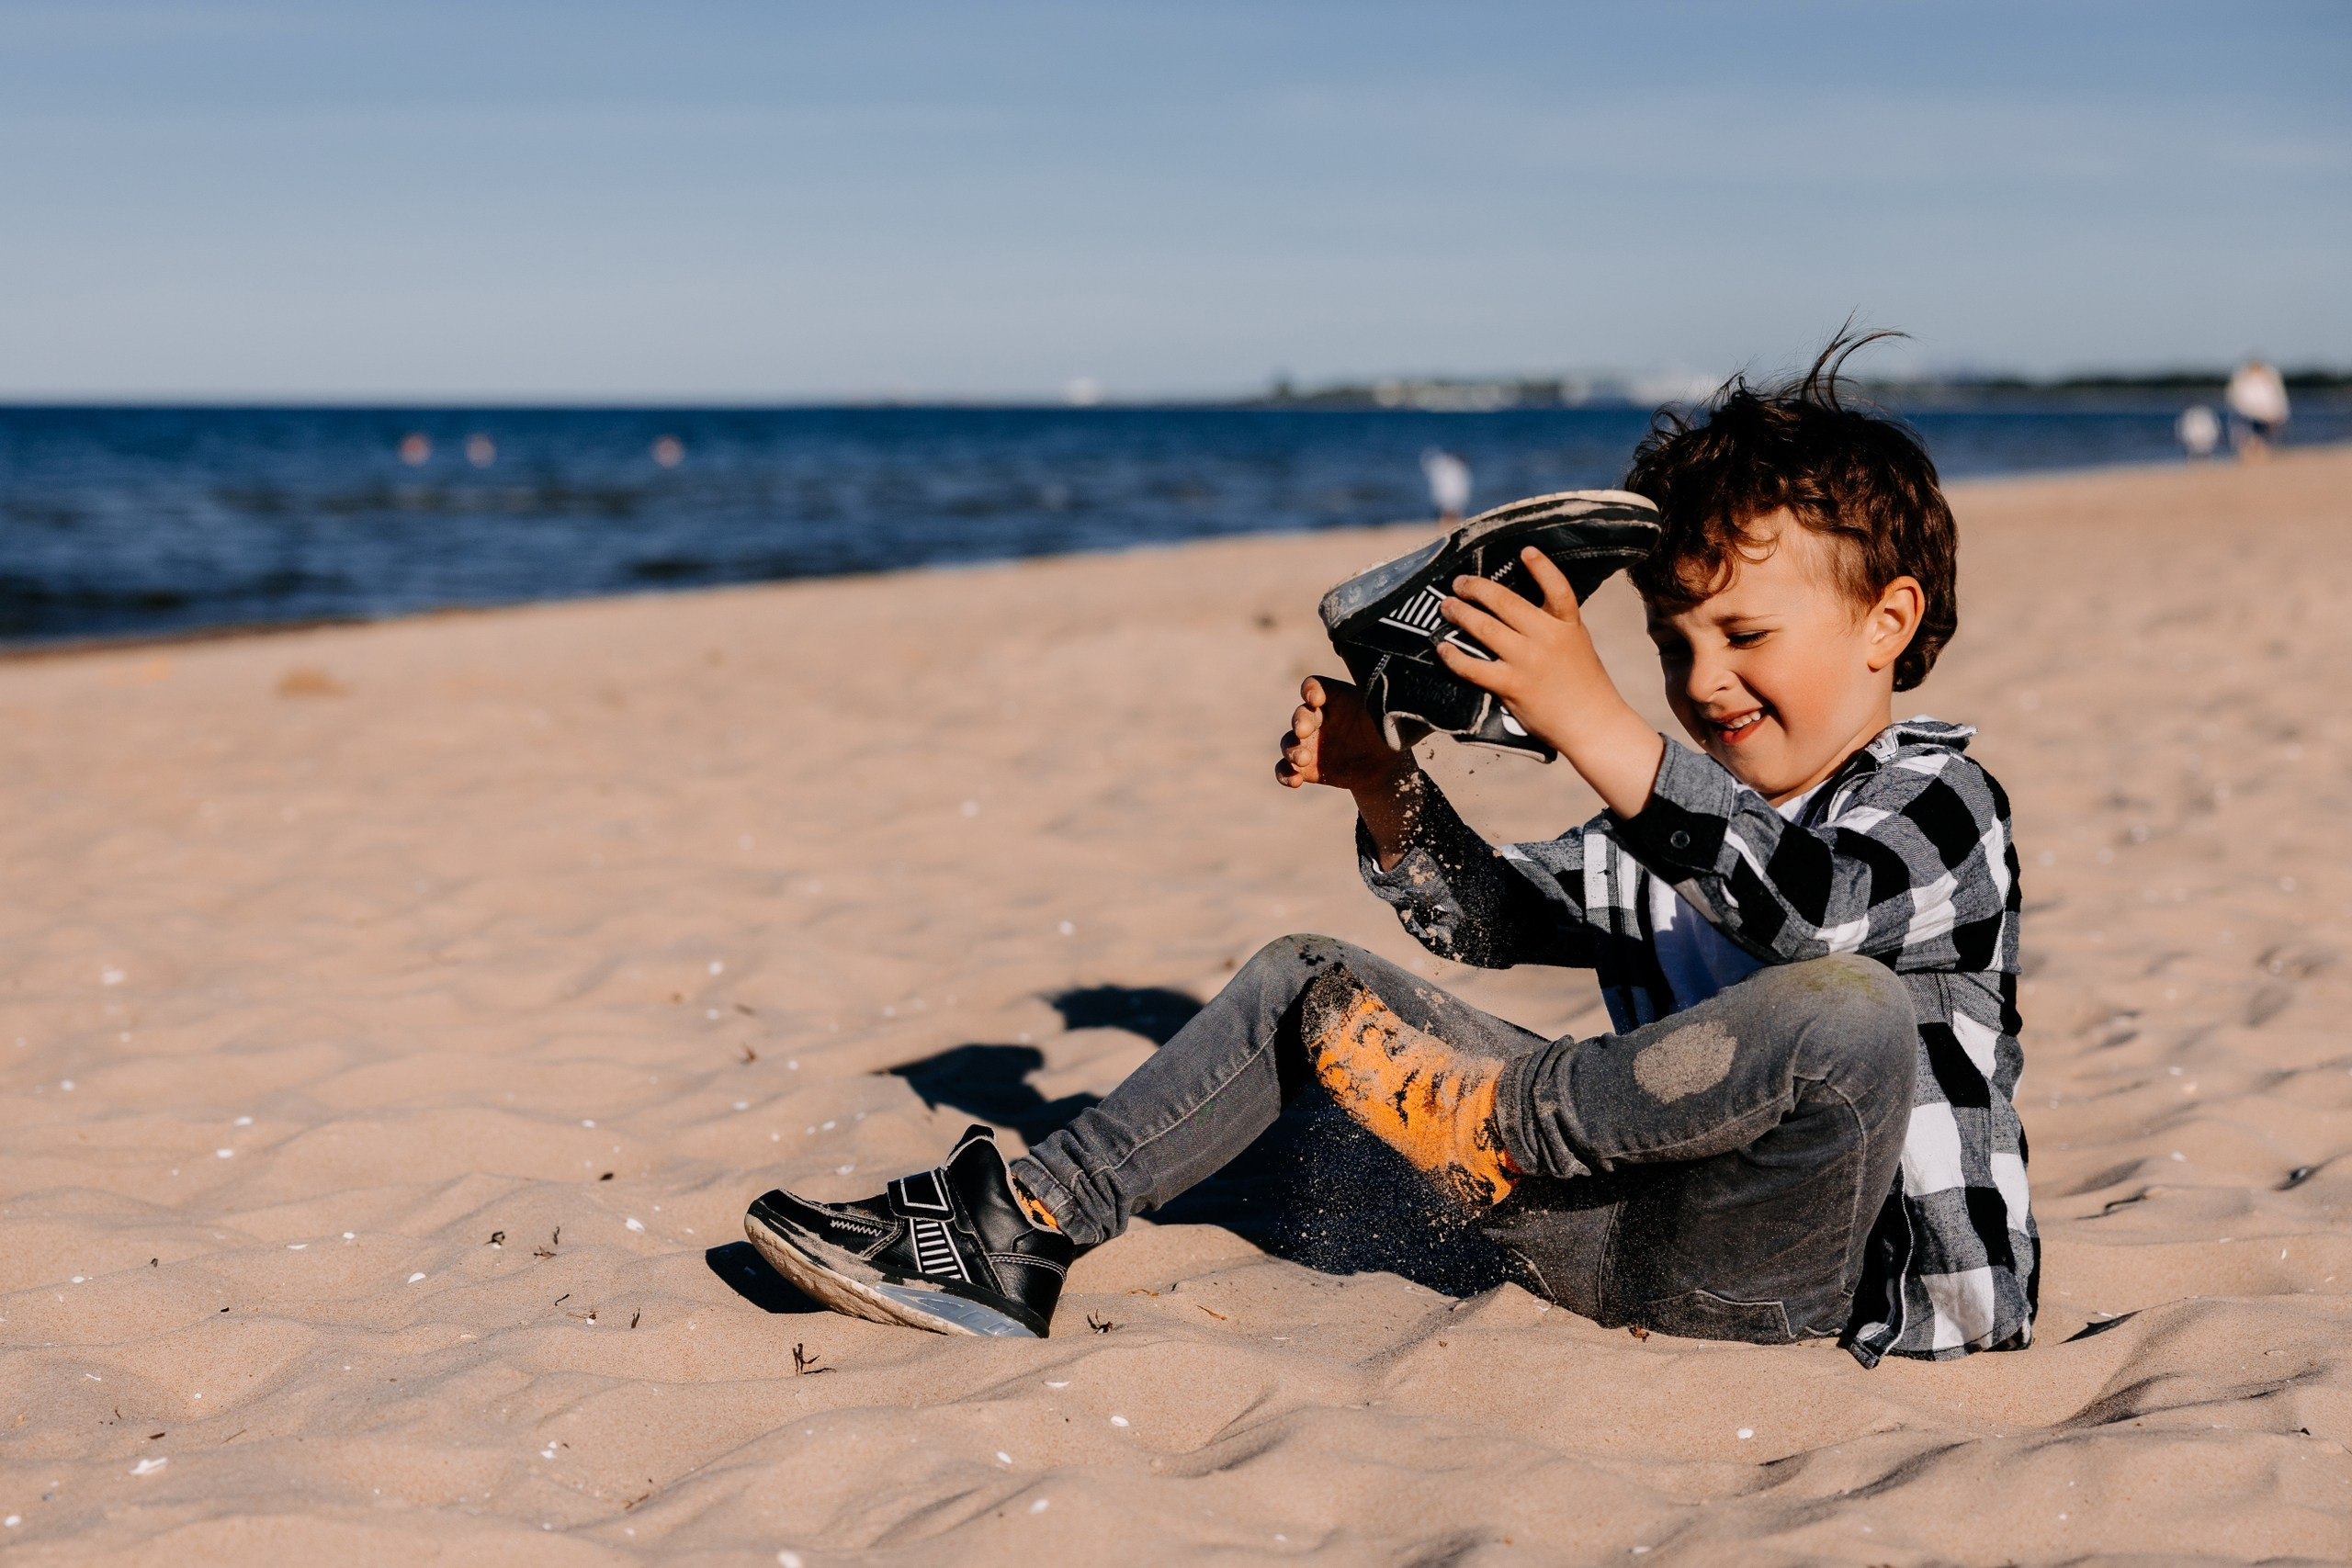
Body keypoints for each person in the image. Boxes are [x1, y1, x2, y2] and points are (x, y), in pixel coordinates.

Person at [744, 336, 2035, 1366]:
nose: (1702, 680)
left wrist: (1592, 721)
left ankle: (1501, 1118)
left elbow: (1810, 912)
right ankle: (1023, 1223)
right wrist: (1384, 783)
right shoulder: (1659, 830)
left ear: (1888, 622)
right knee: (1310, 978)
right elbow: (1489, 920)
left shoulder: (1940, 803)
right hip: (1620, 1244)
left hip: (1821, 1282)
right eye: (1672, 643)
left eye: (1744, 636)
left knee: (1848, 1009)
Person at [2224, 359, 2290, 461]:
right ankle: (2252, 452)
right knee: (2248, 434)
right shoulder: (2242, 378)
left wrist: (2276, 413)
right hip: (2248, 414)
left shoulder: (2269, 377)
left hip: (2265, 415)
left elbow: (2277, 398)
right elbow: (2237, 398)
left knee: (2262, 434)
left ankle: (2258, 451)